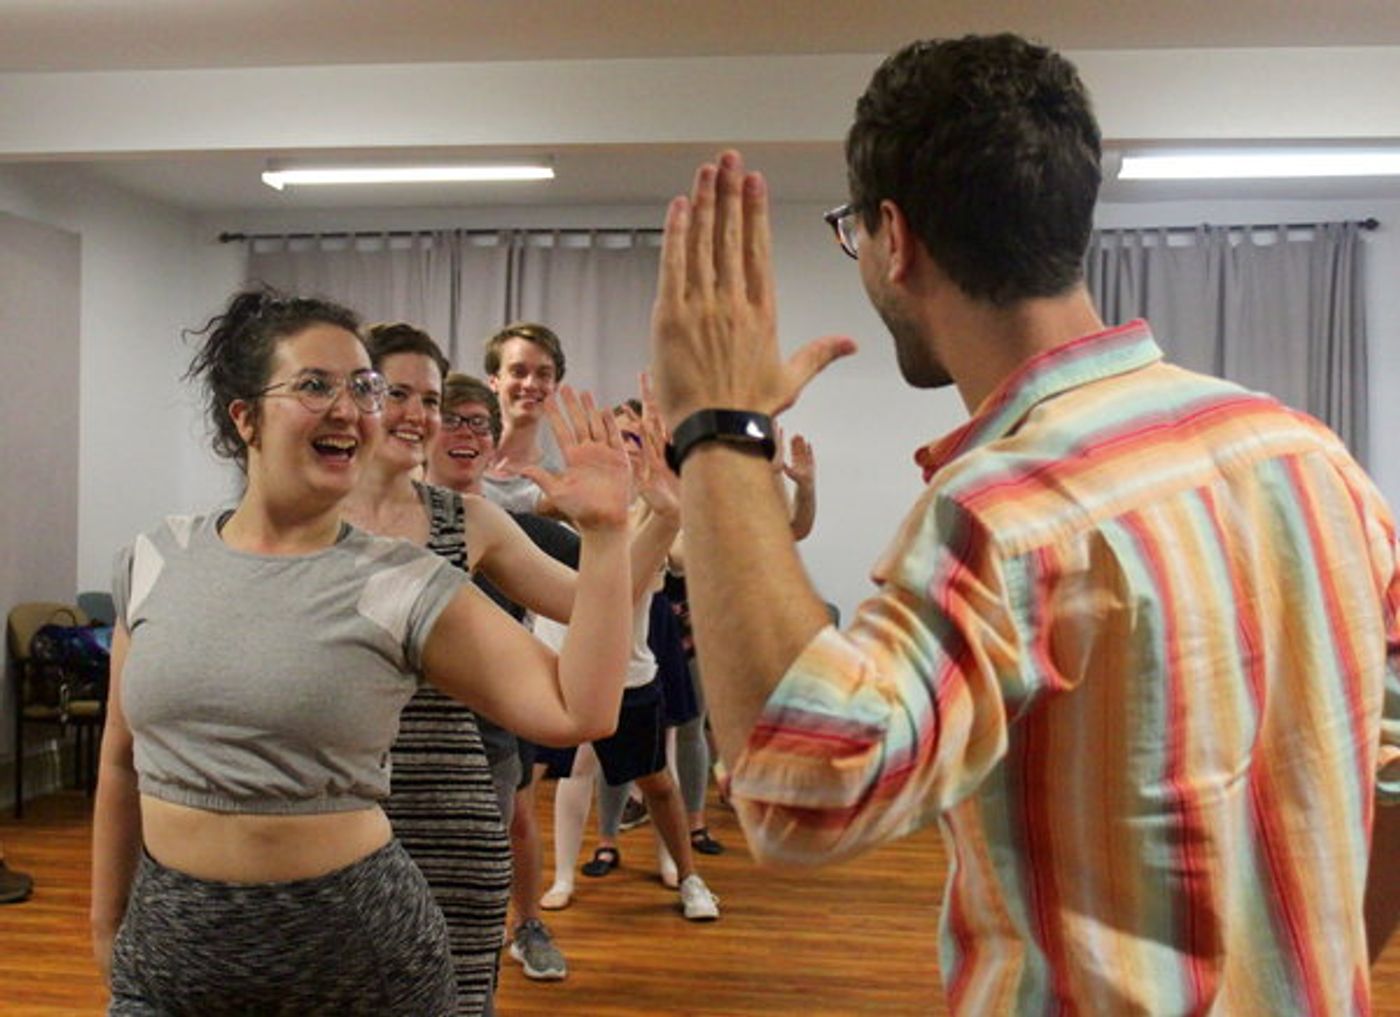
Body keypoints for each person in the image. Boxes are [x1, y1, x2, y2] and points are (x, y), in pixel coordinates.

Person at [648, 33, 1399, 1015]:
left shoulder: (1002, 512)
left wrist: (718, 428)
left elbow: (802, 794)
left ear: (894, 235)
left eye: (851, 234)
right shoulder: (1310, 457)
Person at [91, 289, 634, 1016]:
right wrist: (105, 921)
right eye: (315, 385)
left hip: (355, 957)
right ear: (243, 416)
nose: (349, 408)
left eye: (362, 387)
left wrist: (605, 536)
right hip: (170, 951)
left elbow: (578, 706)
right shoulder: (154, 560)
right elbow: (120, 759)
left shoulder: (398, 579)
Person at [347, 334, 681, 1001]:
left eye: (434, 401)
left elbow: (600, 597)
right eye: (400, 394)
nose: (423, 415)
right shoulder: (308, 516)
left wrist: (651, 520)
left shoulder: (480, 522)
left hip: (463, 777)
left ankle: (528, 922)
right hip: (337, 812)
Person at [536, 400, 720, 922]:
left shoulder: (653, 516)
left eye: (634, 439)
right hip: (556, 672)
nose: (623, 448)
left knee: (656, 782)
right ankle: (562, 878)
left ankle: (687, 875)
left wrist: (669, 513)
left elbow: (657, 571)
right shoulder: (560, 506)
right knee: (565, 779)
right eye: (615, 437)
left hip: (627, 676)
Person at [482, 323, 567, 514]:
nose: (530, 384)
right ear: (494, 381)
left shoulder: (557, 487)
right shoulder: (456, 461)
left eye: (543, 375)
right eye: (518, 372)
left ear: (555, 386)